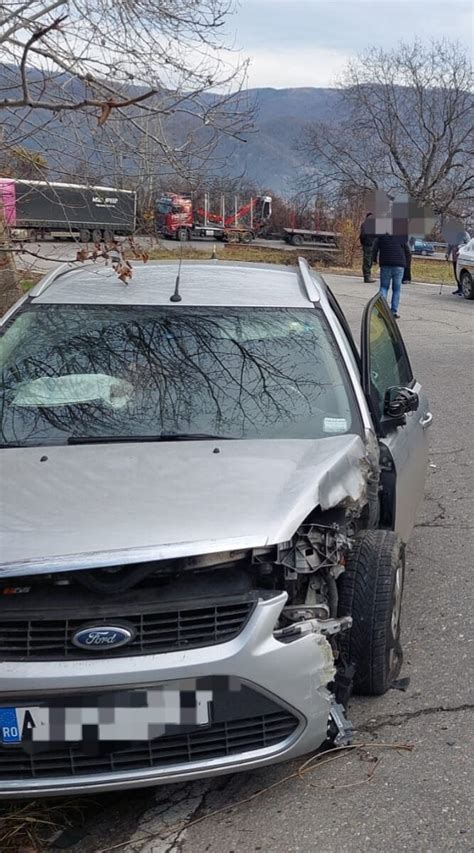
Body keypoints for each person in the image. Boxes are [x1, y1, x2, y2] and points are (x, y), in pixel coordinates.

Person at [372, 232, 411, 319]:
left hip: (385, 263)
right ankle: (394, 311)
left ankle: (382, 311)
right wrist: (407, 265)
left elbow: (374, 248)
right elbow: (408, 251)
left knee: (384, 287)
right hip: (399, 264)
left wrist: (374, 259)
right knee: (396, 289)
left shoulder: (381, 234)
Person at [446, 230, 471, 295]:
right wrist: (447, 254)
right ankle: (459, 288)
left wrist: (461, 247)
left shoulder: (465, 234)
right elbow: (449, 245)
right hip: (455, 258)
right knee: (456, 273)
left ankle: (463, 289)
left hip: (462, 258)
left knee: (461, 274)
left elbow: (468, 245)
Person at [359, 212, 376, 282]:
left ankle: (368, 275)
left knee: (368, 260)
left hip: (370, 244)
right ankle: (367, 276)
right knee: (367, 260)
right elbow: (362, 236)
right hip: (369, 244)